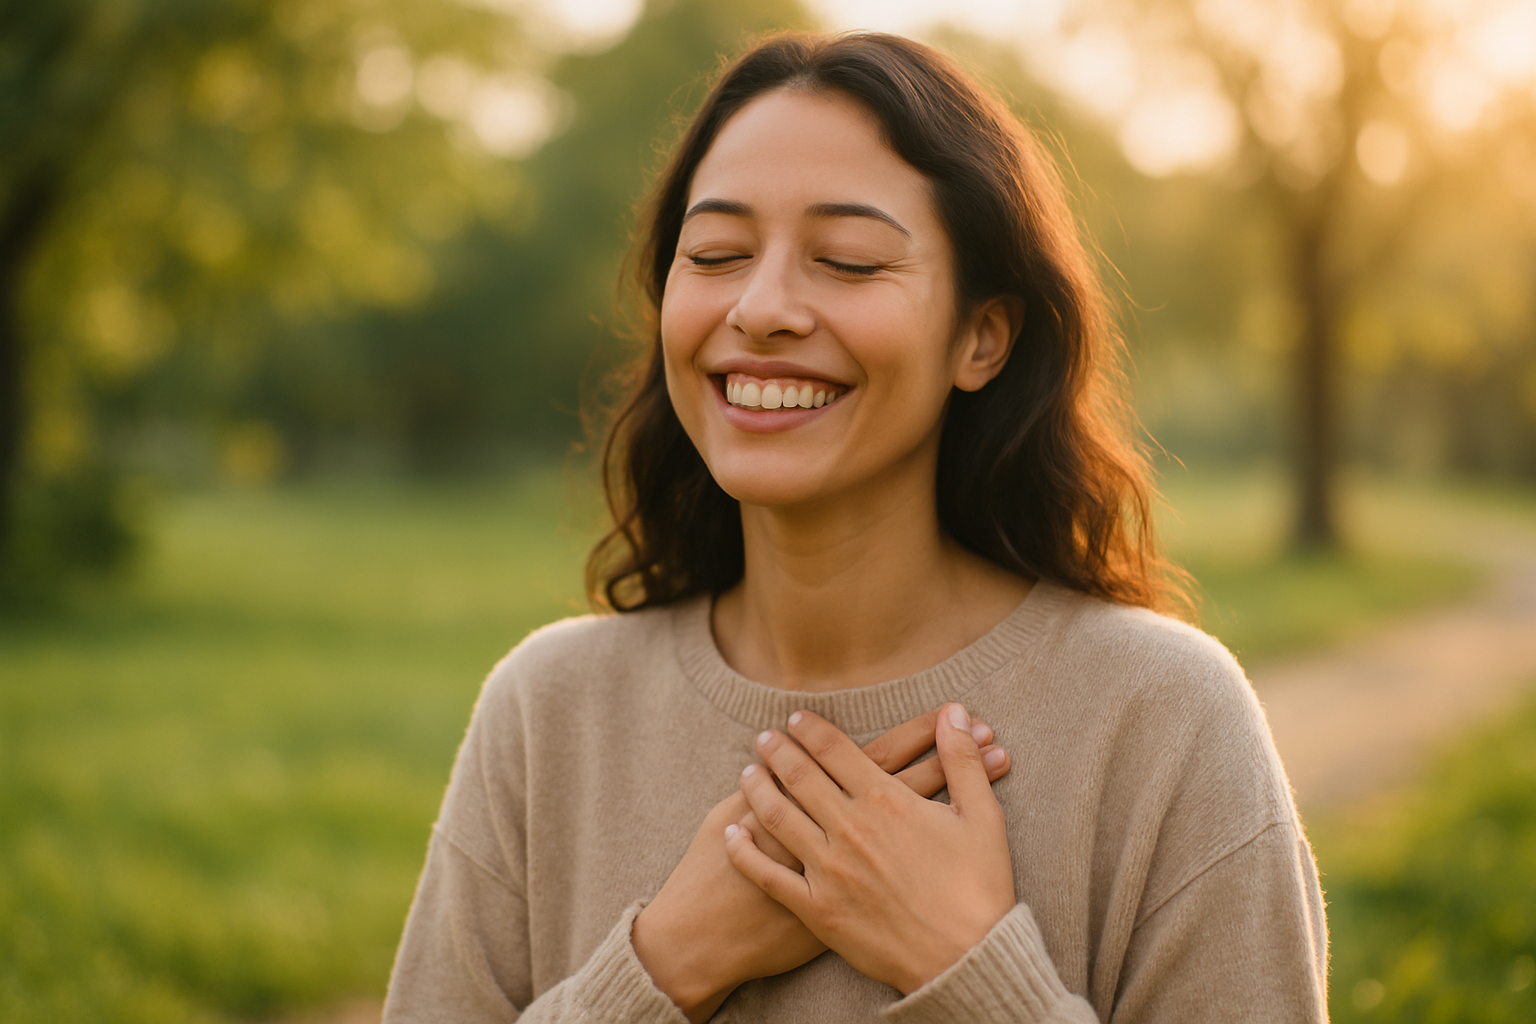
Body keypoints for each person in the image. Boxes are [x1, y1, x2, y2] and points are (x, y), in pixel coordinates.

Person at [381, 31, 1328, 1024]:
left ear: (982, 336)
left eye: (847, 259)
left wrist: (973, 972)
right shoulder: (547, 711)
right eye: (715, 255)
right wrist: (666, 964)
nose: (762, 307)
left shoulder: (1165, 719)